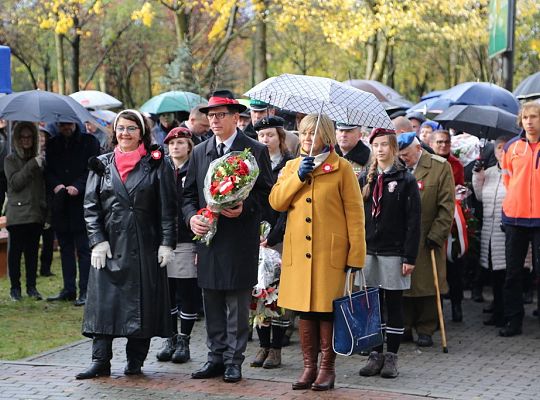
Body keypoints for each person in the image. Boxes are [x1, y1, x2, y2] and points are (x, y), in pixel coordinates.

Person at [76, 109, 177, 379]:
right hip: (109, 246)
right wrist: (97, 241)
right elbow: (90, 207)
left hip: (144, 245)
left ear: (141, 132)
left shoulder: (157, 163)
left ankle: (135, 362)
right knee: (103, 305)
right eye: (121, 128)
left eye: (131, 128)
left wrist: (167, 243)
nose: (125, 133)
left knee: (141, 306)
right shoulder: (101, 164)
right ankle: (100, 361)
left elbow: (168, 208)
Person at [269, 113, 366, 391]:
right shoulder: (291, 166)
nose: (308, 138)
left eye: (314, 133)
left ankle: (327, 369)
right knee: (304, 312)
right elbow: (276, 201)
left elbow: (355, 214)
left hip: (330, 254)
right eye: (304, 133)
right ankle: (308, 368)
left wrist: (355, 256)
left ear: (326, 135)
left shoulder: (343, 168)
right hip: (298, 253)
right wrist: (299, 177)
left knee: (327, 312)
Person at [182, 96, 273, 383]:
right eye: (211, 115)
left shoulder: (255, 150)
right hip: (208, 240)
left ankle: (234, 360)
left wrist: (244, 207)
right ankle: (215, 358)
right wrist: (191, 219)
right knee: (211, 301)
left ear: (237, 118)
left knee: (236, 303)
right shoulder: (199, 151)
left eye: (221, 114)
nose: (215, 120)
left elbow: (267, 196)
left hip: (239, 239)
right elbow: (187, 196)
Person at [358, 128, 420, 378]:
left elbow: (414, 221)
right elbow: (358, 216)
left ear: (394, 149)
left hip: (394, 251)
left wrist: (410, 256)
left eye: (385, 145)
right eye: (376, 145)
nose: (380, 149)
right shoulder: (366, 177)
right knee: (372, 305)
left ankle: (392, 356)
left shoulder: (406, 180)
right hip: (369, 250)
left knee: (393, 304)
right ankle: (375, 354)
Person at [397, 132, 454, 347]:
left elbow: (446, 206)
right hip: (402, 237)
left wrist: (437, 235)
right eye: (400, 155)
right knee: (404, 283)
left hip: (427, 235)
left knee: (428, 284)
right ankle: (406, 325)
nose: (404, 159)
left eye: (407, 155)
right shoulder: (397, 166)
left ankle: (426, 328)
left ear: (418, 149)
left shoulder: (439, 167)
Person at [249, 115, 295, 370]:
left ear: (280, 137)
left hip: (279, 238)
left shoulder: (289, 165)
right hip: (256, 237)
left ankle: (276, 348)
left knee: (278, 295)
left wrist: (274, 235)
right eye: (261, 136)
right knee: (258, 294)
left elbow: (288, 207)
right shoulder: (251, 162)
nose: (265, 140)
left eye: (270, 135)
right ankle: (263, 345)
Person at [156, 127, 199, 364]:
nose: (176, 147)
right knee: (167, 293)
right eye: (172, 143)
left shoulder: (195, 169)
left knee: (186, 291)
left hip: (185, 238)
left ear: (189, 147)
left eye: (181, 143)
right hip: (164, 240)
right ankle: (170, 337)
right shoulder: (160, 169)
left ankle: (184, 339)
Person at [45, 121, 100, 306]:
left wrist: (78, 186)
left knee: (84, 249)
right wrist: (56, 185)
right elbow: (49, 170)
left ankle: (85, 290)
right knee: (65, 248)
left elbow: (93, 170)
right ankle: (69, 289)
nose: (65, 128)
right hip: (61, 203)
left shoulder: (89, 142)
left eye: (67, 124)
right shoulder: (53, 144)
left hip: (82, 202)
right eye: (61, 125)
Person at [499, 101, 540, 337]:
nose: (530, 122)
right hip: (515, 218)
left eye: (534, 117)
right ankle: (513, 321)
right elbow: (508, 180)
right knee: (513, 273)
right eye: (526, 118)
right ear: (520, 121)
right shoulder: (512, 148)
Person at [472, 135, 512, 328]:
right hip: (489, 230)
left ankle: (507, 313)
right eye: (498, 148)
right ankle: (497, 310)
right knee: (495, 275)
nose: (502, 152)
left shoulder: (515, 172)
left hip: (508, 230)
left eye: (505, 148)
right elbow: (479, 196)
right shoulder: (488, 172)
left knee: (507, 274)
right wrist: (477, 176)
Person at [4, 122, 47, 301]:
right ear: (17, 139)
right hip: (17, 215)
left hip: (35, 214)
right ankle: (15, 289)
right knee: (15, 255)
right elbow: (15, 183)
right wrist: (32, 164)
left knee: (32, 254)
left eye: (30, 137)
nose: (26, 140)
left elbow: (42, 188)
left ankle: (32, 287)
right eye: (23, 137)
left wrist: (46, 212)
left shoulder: (39, 160)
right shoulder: (10, 160)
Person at [431, 129, 465, 321]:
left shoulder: (456, 165)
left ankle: (457, 304)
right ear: (432, 143)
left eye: (446, 142)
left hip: (452, 222)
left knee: (454, 267)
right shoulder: (427, 163)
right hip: (434, 221)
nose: (443, 146)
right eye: (439, 142)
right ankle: (437, 310)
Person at [38, 127, 55, 277]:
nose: (42, 140)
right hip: (35, 200)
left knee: (49, 236)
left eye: (44, 138)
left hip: (49, 199)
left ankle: (45, 267)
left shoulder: (52, 155)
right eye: (39, 138)